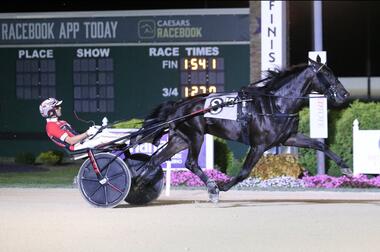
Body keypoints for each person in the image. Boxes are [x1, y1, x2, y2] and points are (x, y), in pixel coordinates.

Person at [39, 97, 125, 153]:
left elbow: (76, 136)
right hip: (76, 147)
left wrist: (93, 131)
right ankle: (132, 145)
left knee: (105, 133)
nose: (60, 108)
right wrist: (87, 133)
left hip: (82, 142)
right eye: (57, 107)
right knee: (103, 138)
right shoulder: (51, 126)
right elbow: (71, 141)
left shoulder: (62, 122)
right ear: (50, 111)